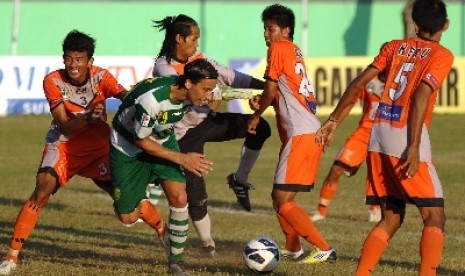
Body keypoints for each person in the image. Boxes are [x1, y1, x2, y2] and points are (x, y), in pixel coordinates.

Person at [315, 0, 452, 274]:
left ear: (414, 24)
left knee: (391, 216)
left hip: (377, 135)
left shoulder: (392, 47)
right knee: (434, 216)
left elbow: (357, 84)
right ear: (446, 25)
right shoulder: (442, 55)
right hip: (405, 136)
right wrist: (413, 146)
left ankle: (361, 273)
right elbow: (422, 94)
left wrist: (332, 120)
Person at [0, 30, 128, 275]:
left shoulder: (102, 77)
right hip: (65, 145)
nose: (73, 65)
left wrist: (134, 97)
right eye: (69, 59)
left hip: (98, 148)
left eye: (79, 59)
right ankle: (11, 256)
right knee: (43, 189)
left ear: (90, 61)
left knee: (128, 208)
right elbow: (64, 125)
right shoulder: (53, 81)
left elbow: (122, 94)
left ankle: (166, 236)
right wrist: (88, 119)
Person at [151, 14, 272, 256]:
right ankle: (207, 244)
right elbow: (203, 94)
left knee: (261, 127)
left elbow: (230, 76)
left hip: (206, 121)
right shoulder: (163, 68)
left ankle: (239, 179)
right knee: (195, 196)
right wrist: (245, 95)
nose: (197, 45)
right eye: (193, 39)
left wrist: (268, 88)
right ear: (179, 38)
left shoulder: (199, 58)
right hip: (182, 135)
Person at [110, 58, 218, 275]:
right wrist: (182, 158)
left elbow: (221, 94)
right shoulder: (152, 101)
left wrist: (256, 97)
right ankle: (135, 192)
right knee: (128, 218)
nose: (208, 96)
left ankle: (175, 263)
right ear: (188, 84)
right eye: (205, 90)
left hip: (161, 140)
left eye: (211, 90)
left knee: (179, 196)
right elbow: (140, 140)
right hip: (128, 148)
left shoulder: (194, 91)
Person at [247, 4, 336, 264]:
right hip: (306, 133)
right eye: (264, 29)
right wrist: (265, 101)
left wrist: (256, 115)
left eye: (271, 29)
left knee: (281, 198)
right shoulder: (294, 52)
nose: (266, 34)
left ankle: (323, 248)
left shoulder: (278, 48)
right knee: (281, 198)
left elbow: (272, 88)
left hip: (301, 135)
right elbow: (283, 93)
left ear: (285, 31)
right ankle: (293, 247)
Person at [311, 76, 385, 223]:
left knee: (378, 173)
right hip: (364, 132)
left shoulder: (401, 80)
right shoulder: (370, 79)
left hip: (387, 133)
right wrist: (334, 126)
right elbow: (350, 101)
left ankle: (376, 209)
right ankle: (321, 212)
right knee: (337, 168)